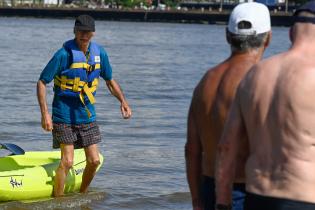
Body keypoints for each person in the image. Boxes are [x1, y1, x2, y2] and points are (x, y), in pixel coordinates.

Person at [215, 1, 315, 210]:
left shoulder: (255, 74)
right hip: (303, 198)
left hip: (257, 197)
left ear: (290, 33)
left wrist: (223, 202)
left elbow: (226, 147)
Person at [185, 3, 271, 210]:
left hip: (208, 188)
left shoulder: (205, 82)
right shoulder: (259, 80)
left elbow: (192, 149)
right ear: (268, 38)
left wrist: (197, 200)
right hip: (247, 192)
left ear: (227, 36)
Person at [37, 14, 132, 197]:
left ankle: (82, 194)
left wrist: (123, 101)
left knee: (95, 160)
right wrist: (45, 114)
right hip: (63, 113)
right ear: (75, 31)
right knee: (67, 162)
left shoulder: (100, 54)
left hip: (87, 114)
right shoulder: (63, 54)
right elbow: (42, 82)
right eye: (81, 31)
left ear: (93, 33)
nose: (84, 35)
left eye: (87, 32)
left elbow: (110, 80)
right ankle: (59, 201)